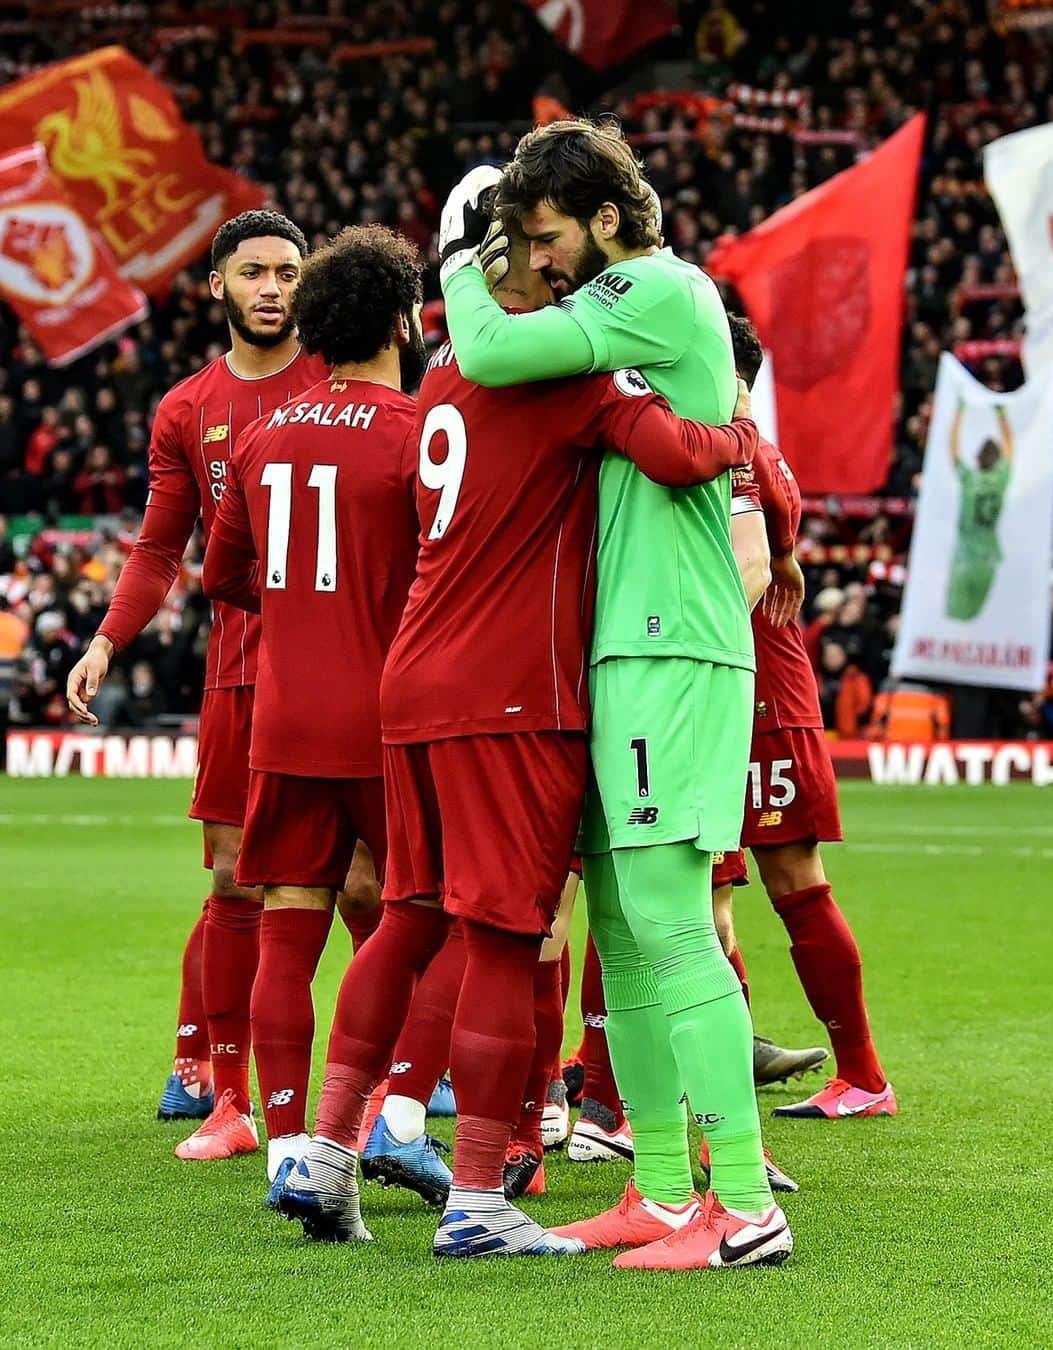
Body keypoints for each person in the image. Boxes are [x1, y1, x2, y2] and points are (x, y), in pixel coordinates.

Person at [276, 210, 761, 1253]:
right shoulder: (563, 380)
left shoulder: (441, 381)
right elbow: (679, 453)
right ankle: (483, 1199)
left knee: (407, 917)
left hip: (411, 678)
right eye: (548, 268)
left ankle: (324, 1154)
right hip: (509, 690)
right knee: (499, 934)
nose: (567, 282)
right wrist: (740, 431)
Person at [437, 118, 790, 1271]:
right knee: (630, 937)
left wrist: (455, 254)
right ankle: (660, 1189)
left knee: (672, 920)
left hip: (670, 646)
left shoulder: (655, 286)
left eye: (546, 239)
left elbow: (485, 355)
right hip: (621, 649)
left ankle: (744, 1205)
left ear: (602, 219)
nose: (536, 264)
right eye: (520, 243)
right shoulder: (619, 313)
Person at [66, 211, 327, 1150]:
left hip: (341, 670)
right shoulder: (187, 409)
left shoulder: (340, 384)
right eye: (252, 271)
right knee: (232, 882)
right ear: (216, 285)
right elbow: (156, 548)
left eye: (288, 272)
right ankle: (228, 1102)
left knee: (376, 888)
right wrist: (106, 640)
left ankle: (380, 1094)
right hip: (237, 678)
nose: (271, 288)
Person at [201, 224, 440, 1193]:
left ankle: (290, 1141)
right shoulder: (418, 434)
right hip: (387, 722)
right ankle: (397, 1112)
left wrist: (306, 612)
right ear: (396, 320)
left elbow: (225, 576)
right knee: (436, 916)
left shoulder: (262, 436)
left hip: (284, 719)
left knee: (287, 926)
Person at [710, 316, 896, 1121]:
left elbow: (765, 549)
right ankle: (731, 1057)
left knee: (786, 883)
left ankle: (860, 1075)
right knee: (702, 894)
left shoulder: (738, 444)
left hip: (756, 697)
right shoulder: (742, 445)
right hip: (726, 691)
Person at [945, 400, 1013, 621]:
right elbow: (1010, 444)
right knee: (977, 619)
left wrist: (959, 411)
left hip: (966, 555)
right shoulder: (1001, 478)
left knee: (955, 619)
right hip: (990, 557)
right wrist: (1001, 413)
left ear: (977, 459)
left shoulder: (970, 479)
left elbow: (953, 449)